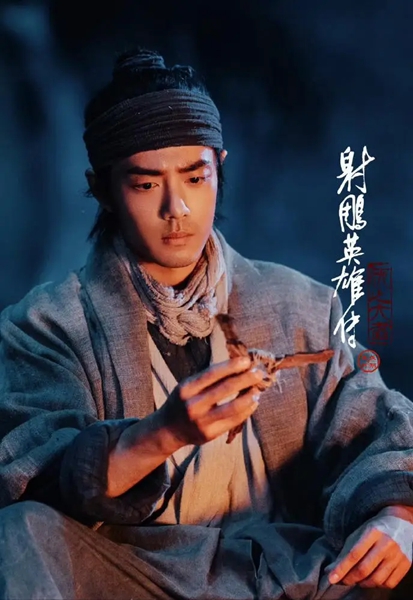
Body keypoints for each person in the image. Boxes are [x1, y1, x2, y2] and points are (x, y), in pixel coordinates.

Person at [0, 47, 413, 600]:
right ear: (102, 190)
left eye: (195, 177)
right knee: (19, 532)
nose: (177, 208)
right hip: (132, 574)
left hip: (286, 572)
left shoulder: (300, 305)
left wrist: (397, 514)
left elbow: (371, 423)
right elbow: (31, 474)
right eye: (146, 184)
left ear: (219, 166)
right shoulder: (46, 325)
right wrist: (162, 433)